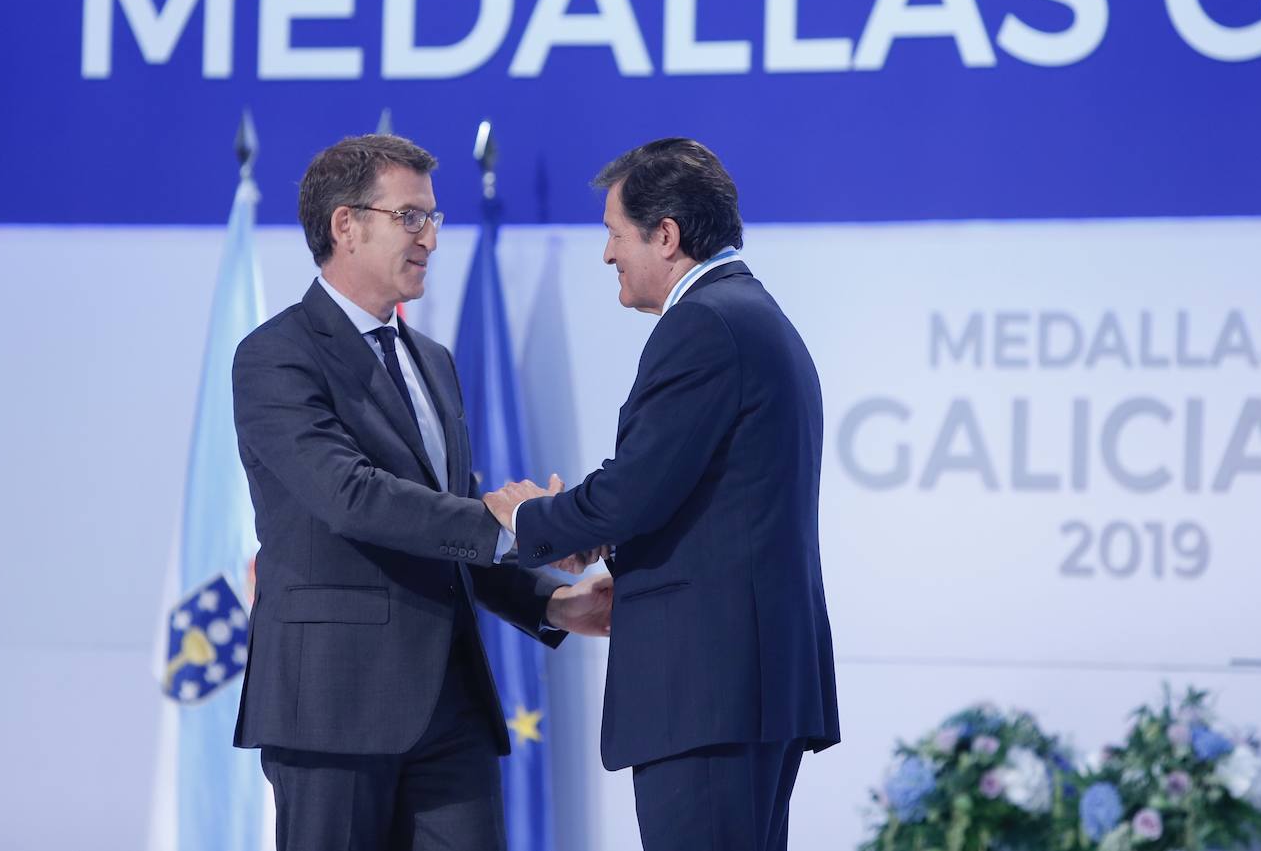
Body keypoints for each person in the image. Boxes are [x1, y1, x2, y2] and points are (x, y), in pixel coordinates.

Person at [231, 134, 612, 851]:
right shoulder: (274, 355)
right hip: (333, 710)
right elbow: (351, 496)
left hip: (452, 706)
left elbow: (451, 523)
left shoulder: (433, 361)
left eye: (433, 219)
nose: (431, 238)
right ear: (346, 224)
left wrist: (550, 599)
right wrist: (512, 522)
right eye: (412, 217)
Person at [486, 137, 841, 851]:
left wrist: (529, 518)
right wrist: (597, 528)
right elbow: (681, 489)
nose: (608, 254)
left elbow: (635, 490)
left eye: (615, 234)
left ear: (667, 235)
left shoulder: (705, 323)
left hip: (710, 691)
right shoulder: (749, 316)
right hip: (743, 689)